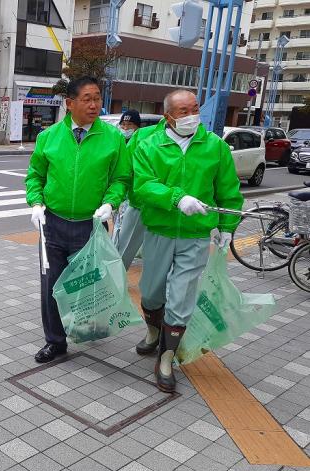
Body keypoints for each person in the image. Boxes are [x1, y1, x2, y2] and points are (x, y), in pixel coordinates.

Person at [132, 89, 243, 392]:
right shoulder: (148, 144)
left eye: (195, 108)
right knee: (152, 291)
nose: (192, 115)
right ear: (168, 116)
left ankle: (167, 356)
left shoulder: (214, 147)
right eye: (183, 111)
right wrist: (176, 198)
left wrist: (227, 226)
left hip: (195, 236)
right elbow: (141, 187)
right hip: (159, 231)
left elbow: (228, 191)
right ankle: (154, 332)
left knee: (181, 297)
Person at [25, 76, 130, 363]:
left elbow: (121, 178)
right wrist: (35, 203)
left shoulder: (113, 138)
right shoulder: (49, 137)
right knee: (51, 285)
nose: (95, 104)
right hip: (53, 224)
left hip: (91, 225)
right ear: (70, 103)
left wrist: (111, 202)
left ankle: (85, 325)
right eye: (87, 98)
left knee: (87, 284)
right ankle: (56, 342)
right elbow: (35, 175)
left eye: (97, 97)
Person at [114, 113, 167, 271]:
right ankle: (111, 287)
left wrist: (225, 226)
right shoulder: (144, 135)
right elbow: (125, 170)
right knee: (123, 251)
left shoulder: (206, 142)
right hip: (140, 204)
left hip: (176, 210)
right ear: (168, 113)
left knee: (168, 263)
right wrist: (115, 198)